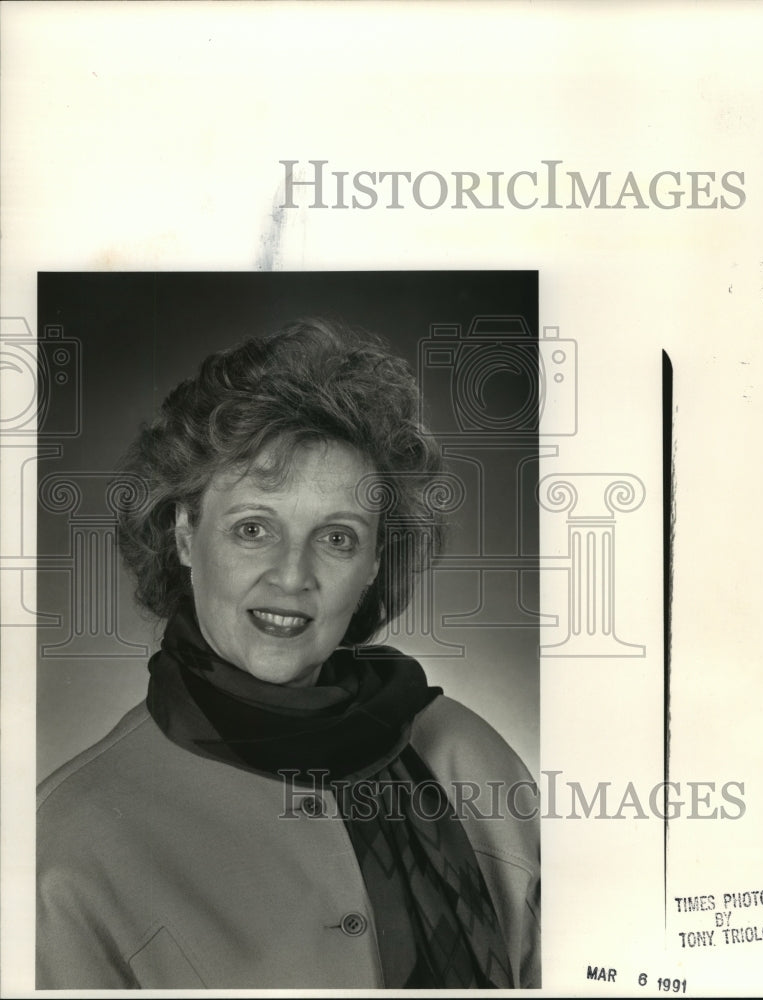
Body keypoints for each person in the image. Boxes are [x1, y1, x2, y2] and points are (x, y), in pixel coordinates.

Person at [36, 319, 540, 989]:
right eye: (253, 529)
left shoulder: (470, 761)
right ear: (185, 534)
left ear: (371, 565)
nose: (291, 576)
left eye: (336, 538)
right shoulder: (70, 845)